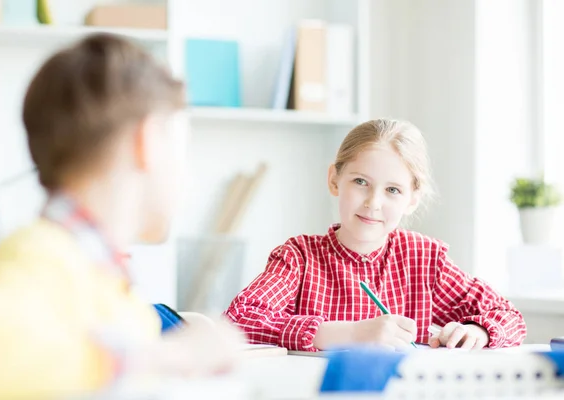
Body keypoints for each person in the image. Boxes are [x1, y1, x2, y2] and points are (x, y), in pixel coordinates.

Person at [0, 33, 242, 400]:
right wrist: (174, 355)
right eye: (180, 150)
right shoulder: (39, 253)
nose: (185, 176)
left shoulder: (109, 284)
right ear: (147, 142)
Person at [225, 119, 526, 351]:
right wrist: (351, 334)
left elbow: (508, 316)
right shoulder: (299, 258)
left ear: (412, 199)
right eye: (360, 181)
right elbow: (240, 319)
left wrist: (477, 331)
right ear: (334, 180)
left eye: (392, 190)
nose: (373, 202)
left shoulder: (425, 260)